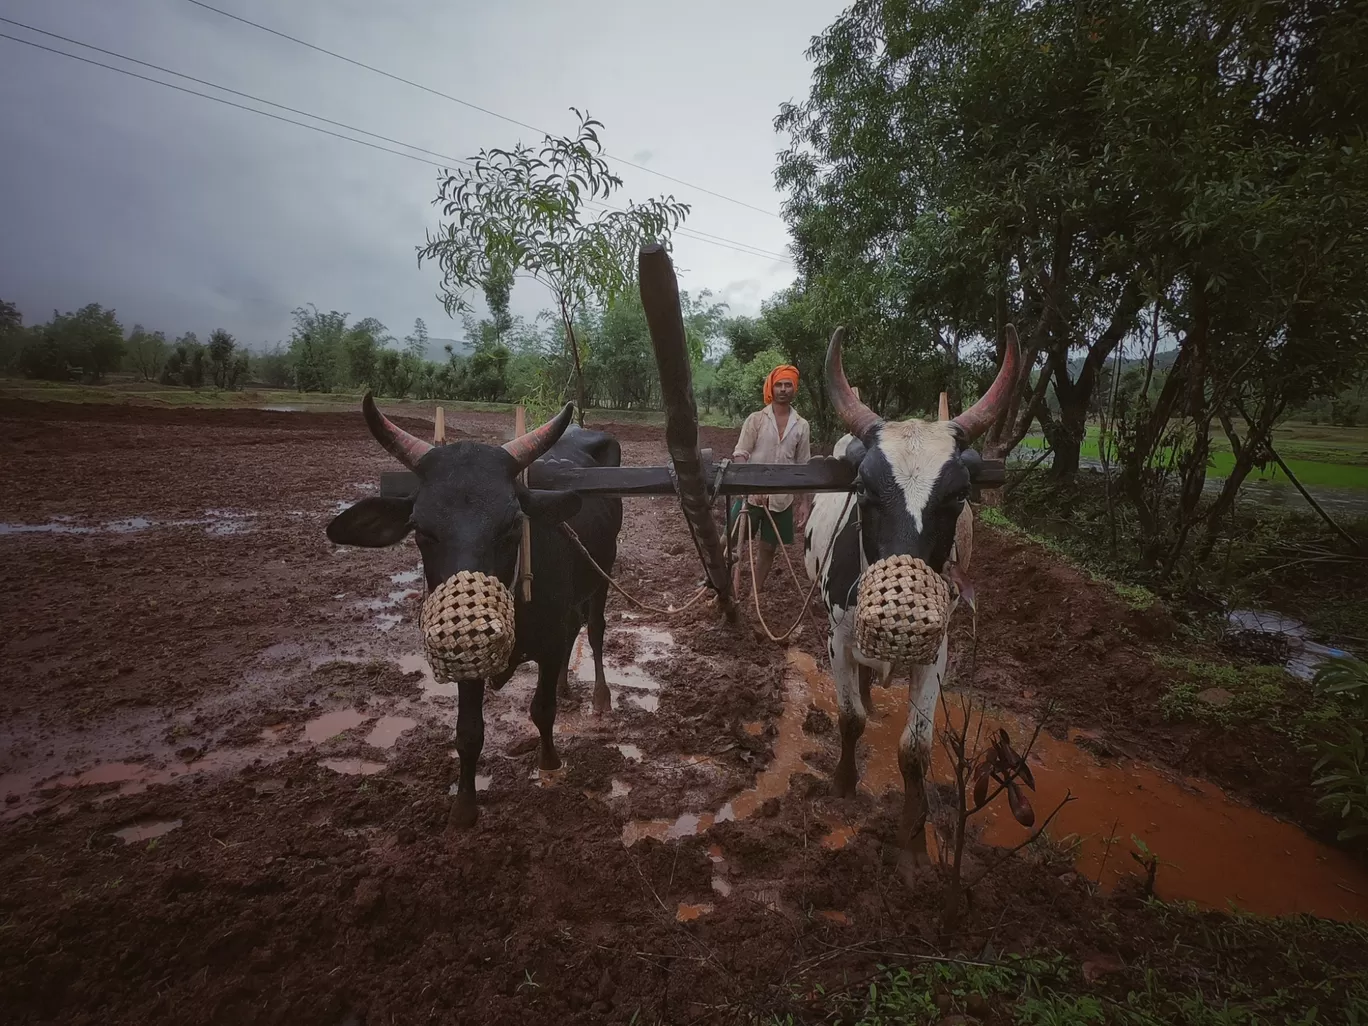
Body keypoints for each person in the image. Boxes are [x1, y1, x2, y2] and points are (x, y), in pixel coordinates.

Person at [728, 363, 811, 600]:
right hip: (751, 497)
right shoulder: (756, 420)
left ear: (794, 389)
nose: (783, 389)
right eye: (779, 385)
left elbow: (804, 466)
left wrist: (804, 503)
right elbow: (740, 453)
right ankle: (721, 584)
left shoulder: (802, 426)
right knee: (731, 539)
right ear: (771, 388)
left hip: (782, 499)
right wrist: (750, 485)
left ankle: (756, 592)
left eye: (788, 385)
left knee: (768, 548)